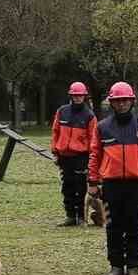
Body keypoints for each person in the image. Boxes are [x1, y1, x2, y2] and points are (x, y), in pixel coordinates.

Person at [89, 81, 138, 275]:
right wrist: (92, 181)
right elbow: (95, 155)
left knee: (134, 227)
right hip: (110, 186)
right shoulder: (102, 127)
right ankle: (116, 267)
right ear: (112, 103)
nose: (121, 104)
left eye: (125, 101)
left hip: (135, 186)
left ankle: (134, 268)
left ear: (131, 101)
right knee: (113, 227)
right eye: (117, 101)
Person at [51, 81, 99, 226]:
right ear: (71, 96)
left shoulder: (89, 116)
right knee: (67, 186)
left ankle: (81, 216)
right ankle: (70, 215)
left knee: (81, 188)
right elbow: (55, 132)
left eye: (80, 96)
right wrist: (55, 151)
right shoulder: (62, 111)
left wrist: (91, 158)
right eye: (75, 96)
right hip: (64, 156)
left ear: (84, 96)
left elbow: (94, 139)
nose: (77, 98)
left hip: (81, 157)